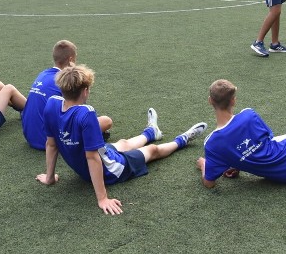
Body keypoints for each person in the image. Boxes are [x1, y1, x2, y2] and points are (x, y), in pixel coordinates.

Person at [36, 64, 207, 215]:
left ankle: (151, 132)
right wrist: (102, 198)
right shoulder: (85, 113)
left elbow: (51, 144)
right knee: (152, 151)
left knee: (124, 143)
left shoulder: (52, 104)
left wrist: (50, 178)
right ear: (86, 90)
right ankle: (182, 139)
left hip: (96, 158)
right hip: (111, 170)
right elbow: (92, 157)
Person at [21, 40, 113, 150]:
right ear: (70, 60)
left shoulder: (43, 74)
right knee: (106, 121)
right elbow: (79, 114)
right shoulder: (66, 81)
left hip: (30, 136)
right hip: (48, 140)